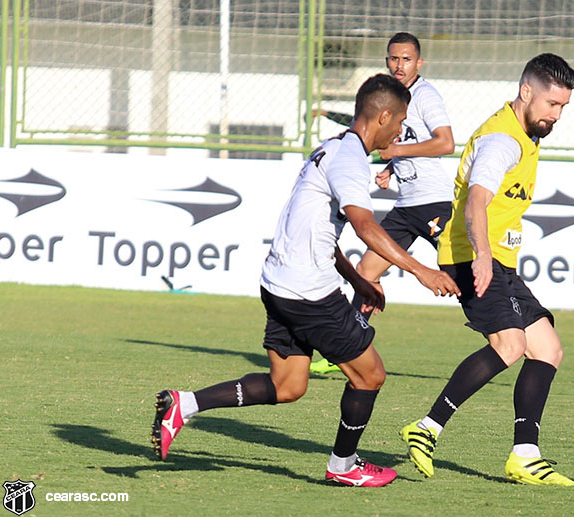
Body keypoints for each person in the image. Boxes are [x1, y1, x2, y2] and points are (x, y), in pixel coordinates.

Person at [151, 73, 460, 487]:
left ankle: (184, 405)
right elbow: (365, 225)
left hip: (277, 281)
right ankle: (343, 466)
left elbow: (316, 228)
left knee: (288, 384)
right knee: (370, 375)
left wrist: (357, 278)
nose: (402, 129)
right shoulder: (350, 159)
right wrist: (421, 270)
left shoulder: (331, 149)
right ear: (384, 116)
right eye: (401, 119)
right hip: (307, 291)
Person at [399, 53, 574, 486]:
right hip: (472, 256)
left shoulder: (526, 132)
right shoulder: (502, 140)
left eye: (563, 108)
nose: (556, 115)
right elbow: (476, 199)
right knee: (511, 344)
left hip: (499, 260)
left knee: (548, 349)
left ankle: (524, 455)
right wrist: (481, 255)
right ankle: (426, 428)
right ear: (526, 92)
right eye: (552, 105)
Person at [310, 31, 455, 375]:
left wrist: (396, 153)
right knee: (366, 272)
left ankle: (507, 329)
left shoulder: (425, 95)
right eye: (393, 58)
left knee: (458, 274)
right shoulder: (392, 97)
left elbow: (445, 143)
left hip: (434, 201)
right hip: (407, 205)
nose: (399, 65)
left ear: (419, 63)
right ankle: (345, 350)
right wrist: (393, 167)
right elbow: (407, 140)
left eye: (406, 59)